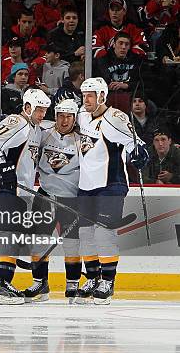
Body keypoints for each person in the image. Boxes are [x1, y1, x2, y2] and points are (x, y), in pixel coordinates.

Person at [75, 77, 149, 305]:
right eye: (84, 94)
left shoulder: (115, 118)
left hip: (111, 183)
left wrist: (138, 154)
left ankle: (107, 280)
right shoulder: (81, 114)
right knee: (85, 234)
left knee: (104, 232)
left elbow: (136, 145)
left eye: (90, 95)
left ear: (102, 96)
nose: (85, 99)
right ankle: (93, 276)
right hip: (86, 185)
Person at [0, 89, 51, 304]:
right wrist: (4, 166)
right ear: (27, 107)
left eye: (44, 110)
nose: (41, 114)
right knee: (10, 232)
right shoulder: (17, 122)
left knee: (21, 234)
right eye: (38, 109)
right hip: (7, 188)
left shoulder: (35, 128)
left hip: (22, 191)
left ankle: (34, 281)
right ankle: (1, 285)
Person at [25, 99, 82, 303]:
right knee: (37, 241)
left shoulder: (81, 139)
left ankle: (73, 285)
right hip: (45, 194)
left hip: (71, 198)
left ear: (75, 118)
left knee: (72, 244)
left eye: (69, 116)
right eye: (60, 116)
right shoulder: (44, 132)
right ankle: (40, 283)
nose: (64, 120)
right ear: (55, 116)